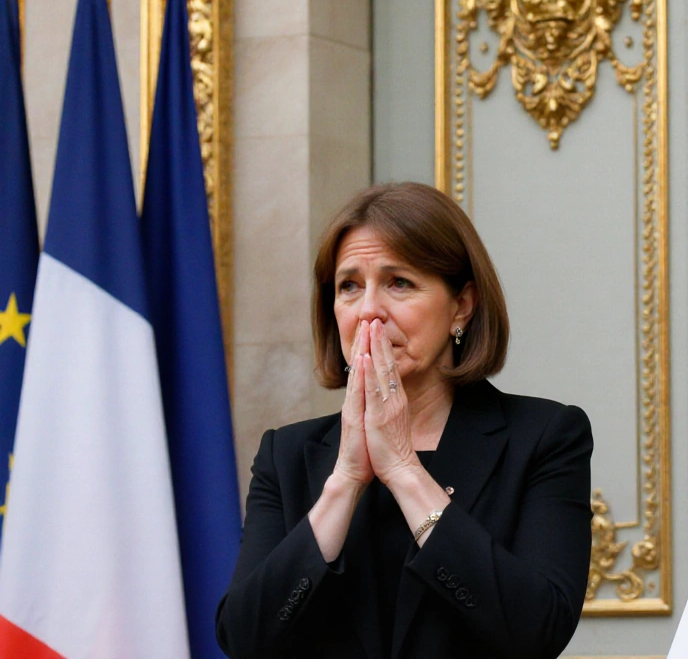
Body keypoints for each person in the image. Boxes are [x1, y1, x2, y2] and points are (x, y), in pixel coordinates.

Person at [216, 182, 593, 658]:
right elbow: (244, 639)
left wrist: (403, 470)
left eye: (399, 283)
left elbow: (538, 631)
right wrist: (346, 481)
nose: (368, 310)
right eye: (349, 286)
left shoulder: (544, 437)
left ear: (462, 306)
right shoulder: (286, 455)